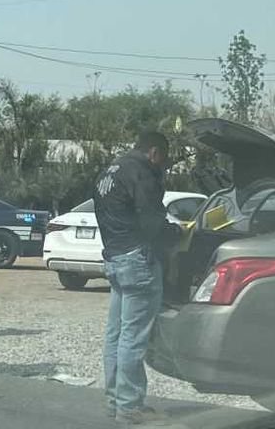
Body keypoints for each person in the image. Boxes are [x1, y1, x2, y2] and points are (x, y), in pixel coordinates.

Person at [94, 131, 182, 425]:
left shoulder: (111, 171)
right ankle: (129, 406)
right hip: (138, 260)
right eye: (164, 159)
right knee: (133, 337)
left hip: (115, 258)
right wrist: (177, 232)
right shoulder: (142, 173)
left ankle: (114, 400)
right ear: (154, 152)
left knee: (116, 334)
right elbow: (151, 222)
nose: (164, 165)